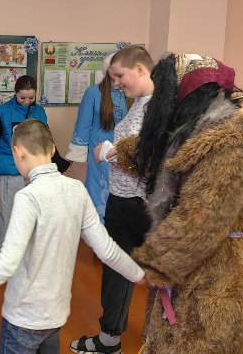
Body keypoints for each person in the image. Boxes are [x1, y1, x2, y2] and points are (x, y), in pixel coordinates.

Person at [0, 119, 145, 354]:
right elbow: (107, 249)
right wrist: (141, 275)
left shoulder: (27, 197)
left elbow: (4, 266)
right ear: (52, 149)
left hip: (23, 320)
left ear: (18, 152)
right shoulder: (77, 189)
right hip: (56, 317)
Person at [114, 53, 243, 353]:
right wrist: (125, 150)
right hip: (192, 266)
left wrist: (155, 264)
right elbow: (168, 153)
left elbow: (203, 216)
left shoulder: (234, 142)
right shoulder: (198, 129)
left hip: (218, 271)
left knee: (202, 339)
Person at [70, 45, 154, 354]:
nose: (116, 83)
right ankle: (109, 339)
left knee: (158, 275)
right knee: (116, 269)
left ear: (140, 69)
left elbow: (150, 159)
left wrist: (107, 153)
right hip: (121, 200)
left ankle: (163, 338)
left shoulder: (157, 108)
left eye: (119, 76)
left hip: (140, 205)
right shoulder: (138, 102)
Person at [0, 75, 70, 265]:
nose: (26, 102)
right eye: (22, 97)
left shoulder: (39, 112)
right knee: (10, 215)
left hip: (33, 169)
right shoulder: (4, 112)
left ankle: (22, 254)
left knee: (30, 213)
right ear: (15, 93)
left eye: (31, 98)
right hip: (8, 168)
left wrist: (59, 164)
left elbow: (46, 140)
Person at [66, 53, 132, 221]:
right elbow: (83, 125)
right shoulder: (93, 92)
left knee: (123, 197)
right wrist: (77, 155)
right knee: (99, 195)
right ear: (107, 70)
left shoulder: (131, 93)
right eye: (113, 70)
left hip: (125, 154)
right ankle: (100, 233)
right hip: (99, 156)